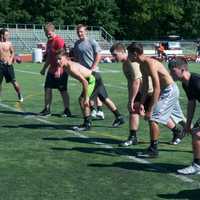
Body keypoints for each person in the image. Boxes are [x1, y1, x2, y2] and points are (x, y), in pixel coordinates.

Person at [127, 42, 185, 158]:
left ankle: (153, 149)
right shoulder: (141, 64)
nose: (127, 56)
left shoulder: (149, 63)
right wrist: (142, 103)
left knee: (153, 118)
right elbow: (144, 87)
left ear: (135, 54)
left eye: (128, 53)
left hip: (169, 91)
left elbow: (156, 87)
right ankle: (191, 133)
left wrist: (150, 110)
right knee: (181, 119)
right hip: (167, 91)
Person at [56, 50, 125, 131]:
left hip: (92, 80)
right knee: (104, 98)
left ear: (66, 58)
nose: (58, 61)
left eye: (60, 59)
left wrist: (86, 98)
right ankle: (119, 117)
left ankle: (87, 124)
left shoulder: (71, 68)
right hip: (96, 76)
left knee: (82, 100)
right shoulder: (66, 65)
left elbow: (85, 82)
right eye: (56, 59)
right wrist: (58, 70)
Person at [110, 42, 153, 146]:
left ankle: (176, 131)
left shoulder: (132, 62)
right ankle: (133, 137)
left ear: (122, 52)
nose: (113, 57)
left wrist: (131, 100)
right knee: (134, 111)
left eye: (115, 54)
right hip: (142, 91)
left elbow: (136, 81)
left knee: (156, 116)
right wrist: (131, 99)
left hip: (149, 92)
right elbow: (131, 83)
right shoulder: (125, 63)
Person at [168, 57, 200, 175]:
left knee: (197, 134)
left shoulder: (196, 81)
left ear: (182, 70)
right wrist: (187, 124)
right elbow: (192, 103)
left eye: (173, 70)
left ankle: (197, 166)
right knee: (196, 133)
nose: (170, 73)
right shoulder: (186, 84)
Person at [39, 22, 71, 117]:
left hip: (61, 70)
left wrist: (58, 69)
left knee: (62, 90)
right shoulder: (49, 42)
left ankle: (67, 110)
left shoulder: (59, 40)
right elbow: (49, 57)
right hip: (51, 70)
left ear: (53, 31)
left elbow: (62, 56)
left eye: (49, 33)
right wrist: (44, 68)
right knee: (47, 88)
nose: (47, 35)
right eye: (46, 33)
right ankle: (47, 109)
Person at [73, 24, 104, 120]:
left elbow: (98, 54)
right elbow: (77, 58)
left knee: (92, 93)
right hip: (83, 72)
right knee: (94, 92)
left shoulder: (91, 41)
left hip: (93, 71)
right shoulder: (77, 44)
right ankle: (97, 110)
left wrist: (93, 68)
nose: (80, 33)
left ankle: (97, 110)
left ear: (86, 32)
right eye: (78, 32)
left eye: (81, 31)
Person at [0, 28, 23, 102]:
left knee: (14, 82)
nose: (8, 36)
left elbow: (13, 52)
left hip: (8, 65)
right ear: (1, 35)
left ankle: (19, 93)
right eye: (6, 35)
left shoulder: (9, 43)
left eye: (8, 35)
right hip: (0, 65)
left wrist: (10, 59)